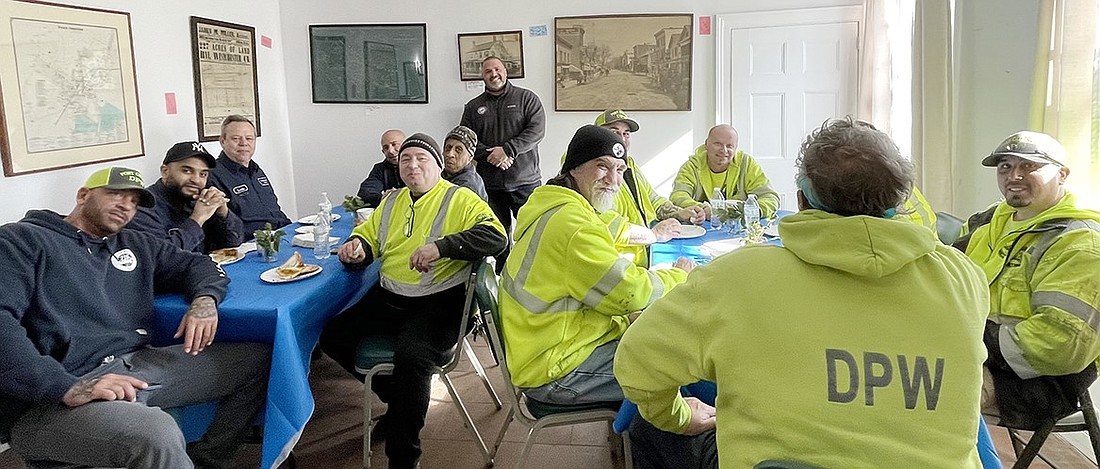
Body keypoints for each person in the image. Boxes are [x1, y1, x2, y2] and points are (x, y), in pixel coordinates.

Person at [615, 118, 989, 468]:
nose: (723, 152)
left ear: (802, 199)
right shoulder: (963, 279)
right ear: (900, 200)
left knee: (650, 428)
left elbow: (637, 366)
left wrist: (679, 417)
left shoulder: (734, 277)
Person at [0, 167, 270, 469]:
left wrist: (204, 300)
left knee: (259, 360)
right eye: (115, 194)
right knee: (155, 432)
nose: (126, 205)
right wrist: (66, 386)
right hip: (51, 397)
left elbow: (199, 265)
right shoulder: (21, 240)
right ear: (83, 195)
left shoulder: (135, 243)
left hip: (135, 367)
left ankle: (208, 459)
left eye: (133, 201)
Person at [319, 134, 506, 469]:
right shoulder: (391, 202)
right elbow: (368, 236)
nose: (412, 165)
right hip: (391, 298)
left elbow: (496, 237)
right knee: (332, 335)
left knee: (412, 356)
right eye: (406, 160)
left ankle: (404, 458)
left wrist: (442, 247)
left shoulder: (459, 199)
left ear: (437, 165)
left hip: (440, 302)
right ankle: (400, 399)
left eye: (421, 158)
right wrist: (357, 248)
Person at [498, 125, 694, 406]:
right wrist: (679, 276)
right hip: (556, 369)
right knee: (680, 362)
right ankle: (669, 440)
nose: (613, 179)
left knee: (656, 338)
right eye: (602, 167)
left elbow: (608, 282)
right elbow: (630, 292)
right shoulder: (574, 225)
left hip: (546, 346)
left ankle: (635, 440)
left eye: (619, 170)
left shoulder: (556, 204)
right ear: (574, 169)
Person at [954, 130, 1100, 430]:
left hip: (1039, 381)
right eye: (1005, 166)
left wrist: (967, 337)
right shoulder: (988, 224)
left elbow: (1059, 345)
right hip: (974, 354)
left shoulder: (1080, 242)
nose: (1014, 175)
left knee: (926, 391)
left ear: (1062, 174)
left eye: (1029, 166)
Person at [460, 56, 546, 270]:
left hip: (525, 181)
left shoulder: (527, 98)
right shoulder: (473, 107)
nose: (493, 74)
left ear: (505, 71)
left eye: (496, 69)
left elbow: (536, 131)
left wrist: (508, 150)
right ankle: (500, 277)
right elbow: (465, 139)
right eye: (488, 71)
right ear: (483, 76)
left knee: (533, 234)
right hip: (490, 185)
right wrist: (492, 155)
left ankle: (533, 274)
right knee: (497, 237)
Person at [594, 109, 706, 267]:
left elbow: (653, 200)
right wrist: (653, 234)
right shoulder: (592, 171)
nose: (621, 139)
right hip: (617, 262)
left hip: (642, 252)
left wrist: (680, 212)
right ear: (596, 135)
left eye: (626, 133)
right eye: (614, 132)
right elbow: (607, 225)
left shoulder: (630, 165)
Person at [129, 141, 244, 253]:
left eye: (203, 174)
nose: (196, 180)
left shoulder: (198, 199)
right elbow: (160, 258)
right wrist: (197, 219)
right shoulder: (143, 206)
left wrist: (223, 214)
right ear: (165, 171)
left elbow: (234, 243)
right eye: (187, 171)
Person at [669, 124, 780, 220]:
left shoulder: (746, 163)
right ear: (706, 144)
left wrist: (749, 211)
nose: (724, 150)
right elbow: (678, 196)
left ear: (736, 148)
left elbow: (770, 197)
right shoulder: (692, 166)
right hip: (702, 226)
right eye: (717, 144)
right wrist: (702, 209)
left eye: (729, 146)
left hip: (741, 226)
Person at [207, 115, 292, 236]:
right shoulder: (213, 175)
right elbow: (224, 228)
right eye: (236, 139)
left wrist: (292, 230)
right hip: (251, 242)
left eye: (249, 138)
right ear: (222, 141)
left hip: (280, 234)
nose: (244, 143)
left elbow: (275, 211)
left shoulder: (256, 170)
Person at [357, 129, 408, 207]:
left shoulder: (418, 166)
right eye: (386, 147)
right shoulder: (380, 169)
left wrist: (400, 194)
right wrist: (384, 198)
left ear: (406, 145)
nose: (390, 151)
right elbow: (365, 192)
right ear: (383, 152)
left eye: (394, 144)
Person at [441, 125, 488, 200]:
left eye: (458, 150)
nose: (450, 154)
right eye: (448, 148)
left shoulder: (468, 187)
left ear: (470, 157)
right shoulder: (446, 175)